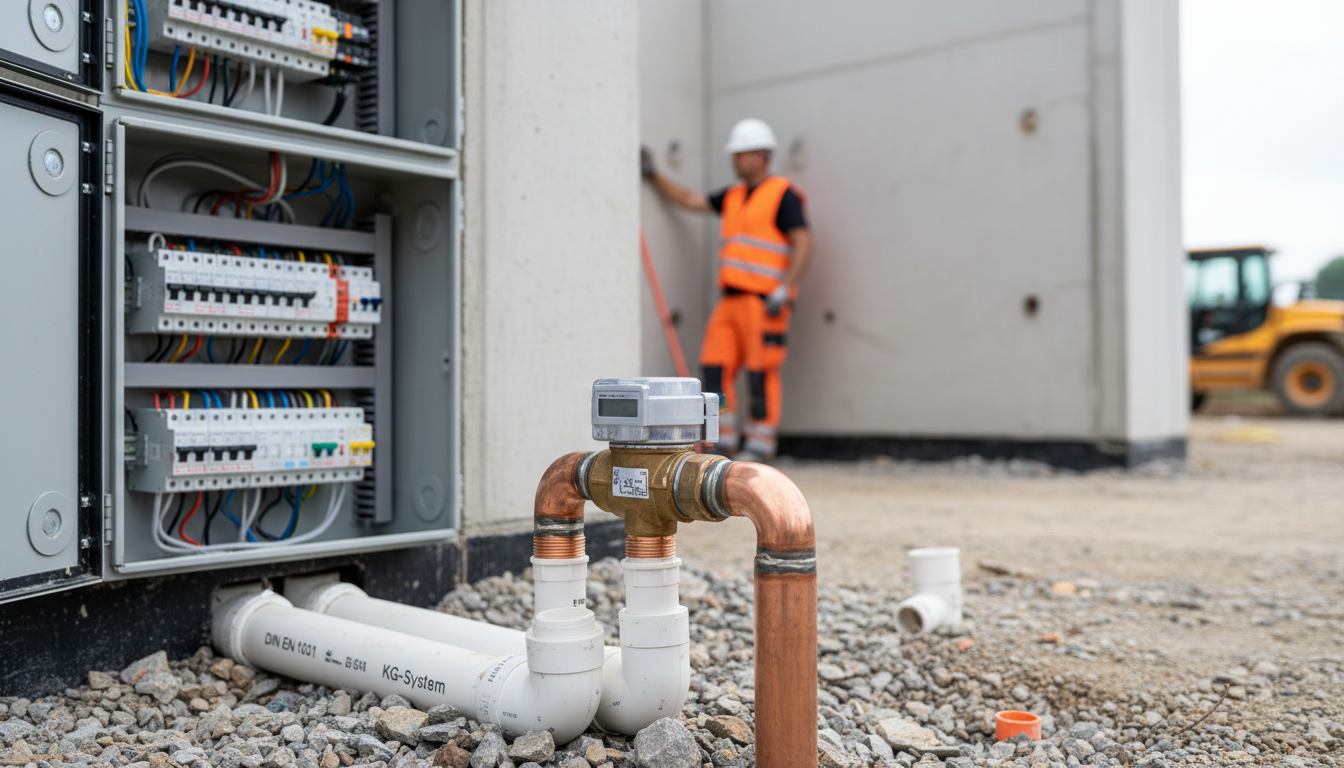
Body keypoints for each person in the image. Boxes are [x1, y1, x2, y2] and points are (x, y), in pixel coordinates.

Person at [641, 118, 813, 460]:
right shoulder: (733, 196)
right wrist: (654, 175)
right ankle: (724, 438)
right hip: (730, 301)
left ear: (761, 155)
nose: (734, 161)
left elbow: (804, 242)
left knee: (760, 374)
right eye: (734, 155)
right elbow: (690, 200)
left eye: (741, 154)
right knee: (714, 367)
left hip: (765, 303)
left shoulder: (783, 195)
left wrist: (785, 288)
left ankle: (760, 444)